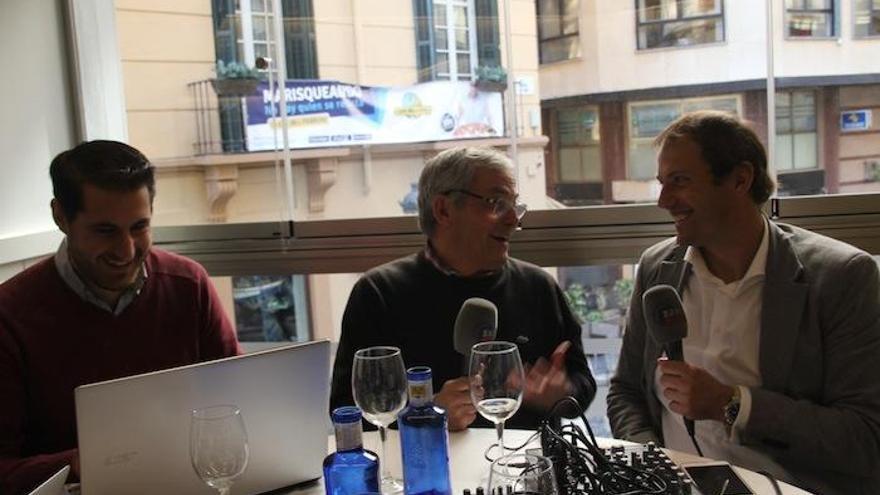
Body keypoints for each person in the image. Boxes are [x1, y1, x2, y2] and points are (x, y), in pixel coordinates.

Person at [607, 111, 880, 494]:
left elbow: (865, 438)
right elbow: (626, 394)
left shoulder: (841, 277)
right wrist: (655, 468)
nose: (664, 201)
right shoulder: (657, 268)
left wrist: (732, 404)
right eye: (662, 183)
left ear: (740, 179)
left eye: (680, 182)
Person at [0, 141, 241, 495]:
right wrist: (78, 463)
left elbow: (239, 403)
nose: (127, 250)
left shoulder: (188, 286)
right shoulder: (10, 315)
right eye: (105, 231)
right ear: (60, 217)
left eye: (139, 226)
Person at [330, 146, 596, 432]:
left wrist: (559, 392)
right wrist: (425, 416)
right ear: (443, 210)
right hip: (422, 473)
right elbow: (347, 412)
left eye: (514, 206)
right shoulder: (378, 293)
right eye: (496, 203)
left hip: (525, 468)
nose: (513, 220)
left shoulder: (538, 287)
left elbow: (582, 388)